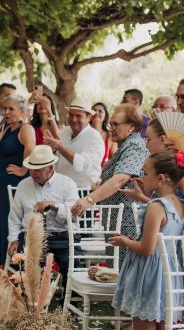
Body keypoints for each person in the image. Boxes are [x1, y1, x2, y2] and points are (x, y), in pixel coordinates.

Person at [110, 152, 184, 330]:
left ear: (162, 177)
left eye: (146, 172)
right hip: (169, 276)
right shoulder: (176, 203)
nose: (141, 177)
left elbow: (147, 247)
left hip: (150, 277)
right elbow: (163, 225)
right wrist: (143, 197)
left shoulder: (156, 207)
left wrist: (124, 241)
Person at [71, 104, 150, 239]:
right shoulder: (126, 144)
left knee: (124, 260)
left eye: (115, 125)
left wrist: (90, 199)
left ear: (131, 126)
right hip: (117, 220)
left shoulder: (135, 145)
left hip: (127, 220)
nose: (111, 129)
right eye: (110, 125)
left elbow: (120, 179)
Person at [7, 145, 79, 284]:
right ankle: (32, 298)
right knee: (27, 265)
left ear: (51, 168)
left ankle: (69, 299)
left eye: (38, 169)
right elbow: (14, 217)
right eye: (31, 169)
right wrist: (13, 239)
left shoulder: (67, 184)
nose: (33, 173)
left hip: (62, 236)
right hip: (32, 237)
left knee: (71, 265)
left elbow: (75, 215)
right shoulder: (23, 185)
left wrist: (54, 205)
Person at [0, 96, 35, 265]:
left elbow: (31, 149)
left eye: (11, 109)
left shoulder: (25, 128)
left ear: (22, 112)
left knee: (13, 222)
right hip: (3, 184)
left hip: (16, 184)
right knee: (4, 222)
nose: (6, 112)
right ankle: (3, 262)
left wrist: (23, 169)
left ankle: (15, 263)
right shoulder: (5, 129)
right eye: (5, 109)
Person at [43, 97, 104, 189]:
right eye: (71, 115)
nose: (73, 119)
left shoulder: (94, 137)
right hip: (61, 188)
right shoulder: (65, 131)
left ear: (89, 118)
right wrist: (52, 148)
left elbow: (82, 164)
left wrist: (60, 147)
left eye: (78, 116)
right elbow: (56, 155)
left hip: (82, 192)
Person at [91, 102, 117, 167]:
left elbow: (114, 160)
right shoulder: (83, 132)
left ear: (105, 116)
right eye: (94, 110)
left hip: (98, 174)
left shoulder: (110, 136)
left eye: (100, 111)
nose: (96, 113)